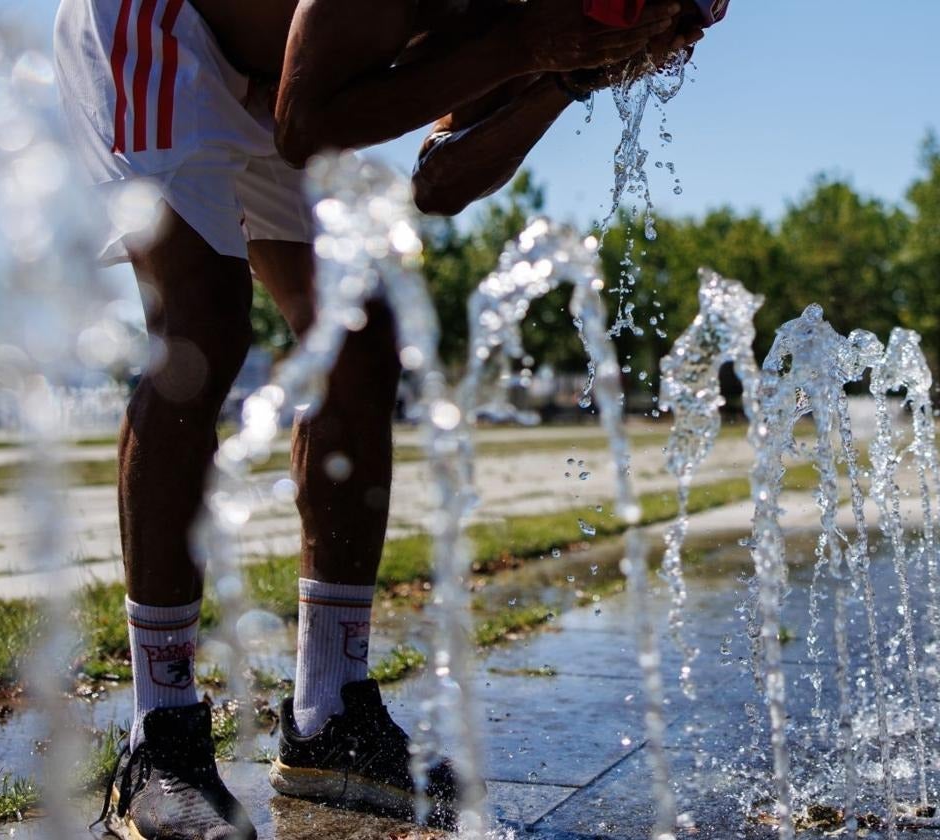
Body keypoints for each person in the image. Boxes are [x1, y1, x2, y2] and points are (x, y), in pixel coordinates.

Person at [54, 1, 703, 838]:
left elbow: (441, 183)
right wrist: (525, 45)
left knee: (361, 337)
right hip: (163, 27)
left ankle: (330, 718)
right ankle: (163, 735)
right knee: (202, 327)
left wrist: (562, 79)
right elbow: (306, 125)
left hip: (277, 80)